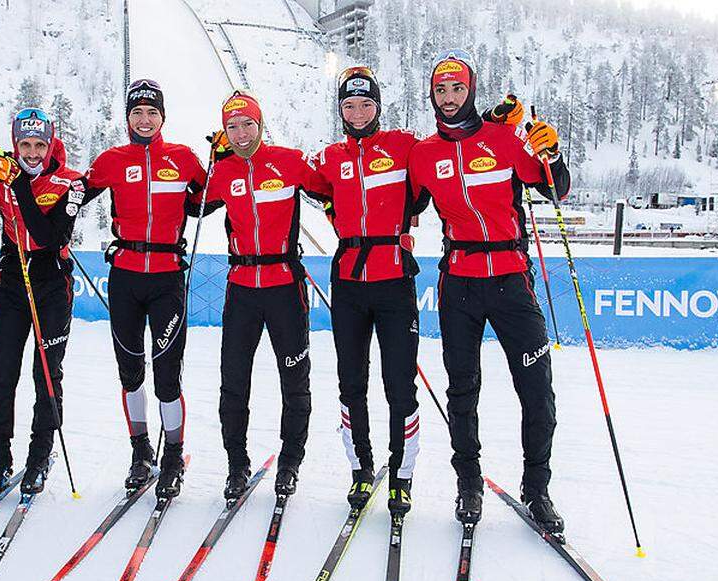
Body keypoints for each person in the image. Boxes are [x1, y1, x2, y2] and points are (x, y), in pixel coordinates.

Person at [408, 51, 570, 534]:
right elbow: (403, 204)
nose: (450, 98)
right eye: (441, 91)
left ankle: (537, 488)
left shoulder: (503, 139)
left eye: (458, 89)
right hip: (458, 282)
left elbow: (555, 189)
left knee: (536, 389)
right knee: (462, 389)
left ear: (471, 91)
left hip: (511, 280)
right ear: (432, 96)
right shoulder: (424, 153)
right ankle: (469, 483)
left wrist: (552, 153)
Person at [81, 79, 207, 499]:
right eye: (137, 112)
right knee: (131, 372)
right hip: (126, 277)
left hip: (168, 277)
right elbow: (73, 194)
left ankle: (172, 454)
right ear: (128, 118)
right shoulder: (112, 160)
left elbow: (210, 194)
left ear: (163, 117)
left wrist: (222, 157)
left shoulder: (184, 158)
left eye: (152, 112)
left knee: (167, 376)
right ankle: (140, 451)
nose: (145, 119)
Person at [202, 91, 330, 499]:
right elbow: (193, 206)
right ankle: (236, 464)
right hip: (241, 289)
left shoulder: (288, 161)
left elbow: (330, 190)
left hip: (284, 288)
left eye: (248, 124)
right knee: (233, 382)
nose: (241, 133)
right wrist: (212, 166)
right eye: (232, 127)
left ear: (261, 124)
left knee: (295, 381)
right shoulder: (224, 172)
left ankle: (290, 460)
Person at [307, 67, 423, 516]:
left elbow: (444, 154)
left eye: (366, 104)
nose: (357, 113)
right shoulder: (329, 156)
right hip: (350, 281)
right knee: (351, 382)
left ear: (378, 106)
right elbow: (296, 176)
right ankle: (361, 469)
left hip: (394, 279)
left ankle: (401, 476)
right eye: (349, 105)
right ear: (340, 110)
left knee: (399, 385)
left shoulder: (403, 145)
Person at [0, 107, 86, 497]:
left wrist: (19, 185)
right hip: (11, 282)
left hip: (51, 284)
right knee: (1, 375)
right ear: (15, 144)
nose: (34, 152)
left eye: (41, 144)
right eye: (26, 144)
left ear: (51, 143)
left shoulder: (71, 183)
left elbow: (50, 237)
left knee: (47, 376)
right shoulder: (1, 177)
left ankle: (39, 457)